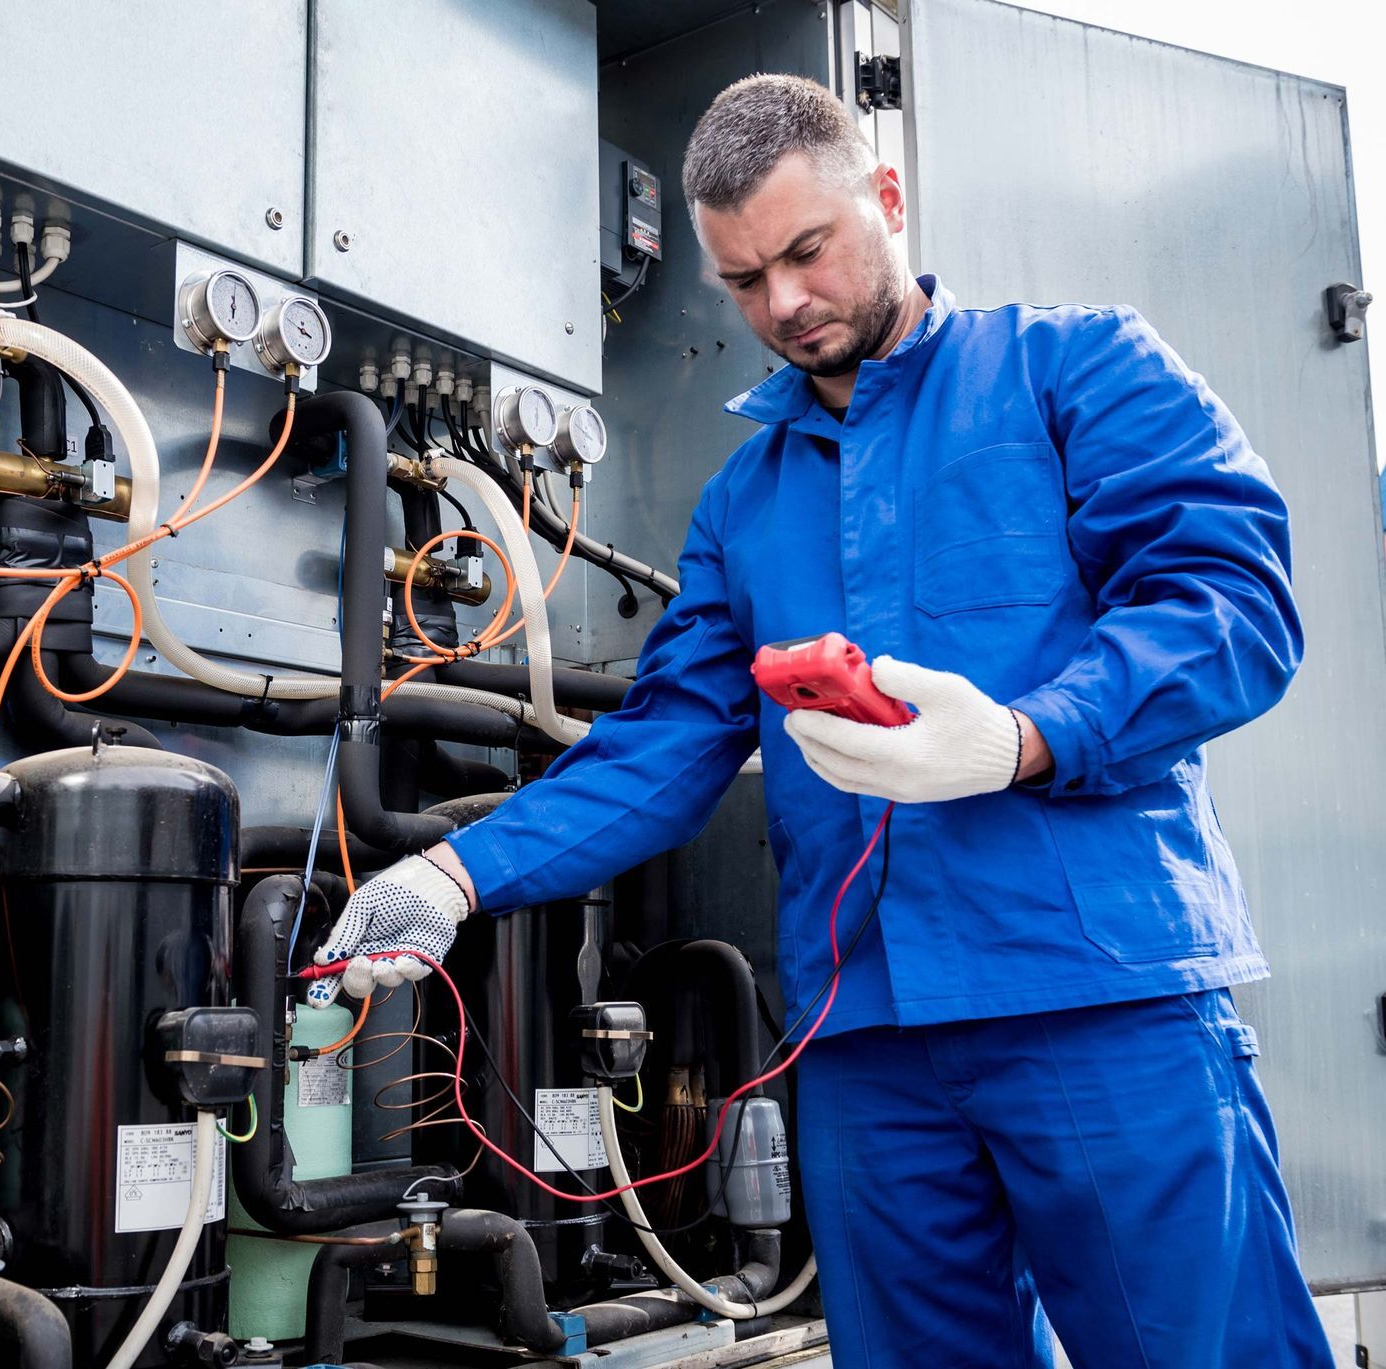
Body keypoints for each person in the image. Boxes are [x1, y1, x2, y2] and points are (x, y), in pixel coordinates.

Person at [307, 74, 1334, 1368]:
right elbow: (666, 744)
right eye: (745, 280)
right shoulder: (745, 502)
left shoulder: (1074, 369)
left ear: (886, 198)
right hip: (869, 1037)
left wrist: (1025, 738)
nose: (785, 302)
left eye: (809, 250)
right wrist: (455, 875)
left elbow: (1230, 603)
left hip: (1096, 995)